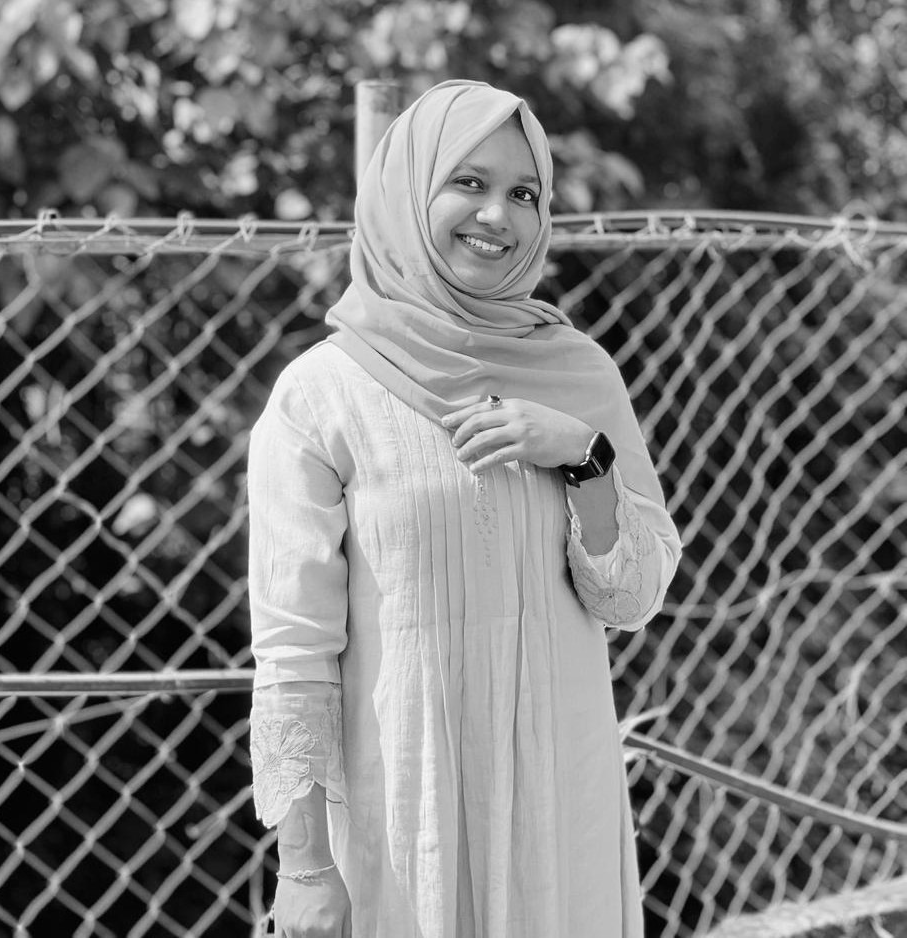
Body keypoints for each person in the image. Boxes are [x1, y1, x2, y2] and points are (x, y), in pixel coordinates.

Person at [247, 79, 682, 938]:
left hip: (565, 811)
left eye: (524, 194)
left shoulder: (580, 374)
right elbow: (294, 651)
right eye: (469, 182)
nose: (498, 215)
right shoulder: (322, 395)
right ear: (410, 191)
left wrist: (582, 455)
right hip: (409, 823)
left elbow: (632, 600)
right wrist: (304, 868)